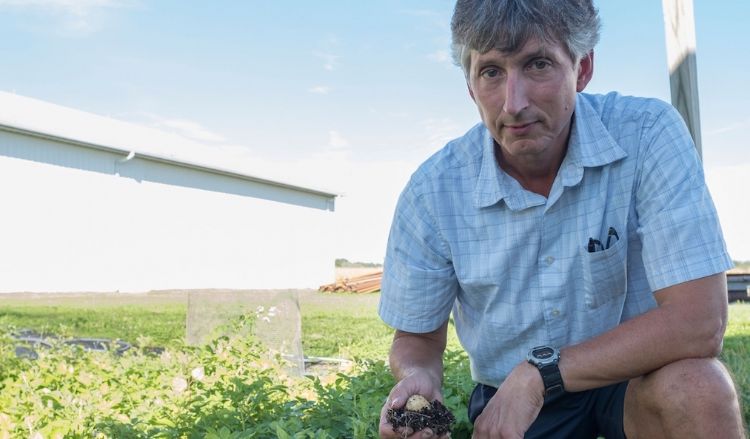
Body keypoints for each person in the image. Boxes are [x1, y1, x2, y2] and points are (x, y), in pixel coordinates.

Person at [377, 0, 746, 438]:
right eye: (491, 71)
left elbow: (698, 322)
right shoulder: (432, 191)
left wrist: (541, 373)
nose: (513, 104)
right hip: (509, 400)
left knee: (698, 388)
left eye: (537, 64)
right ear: (471, 86)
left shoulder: (648, 133)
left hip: (634, 383)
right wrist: (417, 375)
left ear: (583, 68)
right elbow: (416, 339)